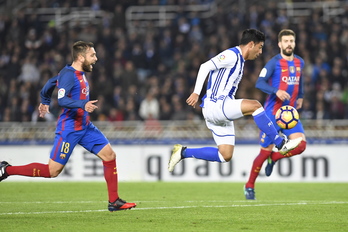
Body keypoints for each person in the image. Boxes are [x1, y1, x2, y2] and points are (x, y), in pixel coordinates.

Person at [0, 41, 136, 212]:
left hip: (85, 126)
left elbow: (50, 83)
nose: (96, 58)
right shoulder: (69, 75)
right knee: (52, 171)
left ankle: (114, 201)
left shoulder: (74, 73)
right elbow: (63, 100)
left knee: (109, 155)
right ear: (81, 57)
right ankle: (7, 170)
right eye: (92, 55)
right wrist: (82, 104)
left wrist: (44, 101)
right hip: (69, 128)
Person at [168, 29, 302, 173]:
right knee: (255, 106)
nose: (260, 52)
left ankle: (182, 152)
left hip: (219, 111)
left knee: (225, 155)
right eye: (260, 47)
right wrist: (196, 92)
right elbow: (205, 66)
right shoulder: (232, 55)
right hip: (216, 105)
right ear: (251, 44)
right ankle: (280, 143)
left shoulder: (240, 61)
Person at [244, 29, 307, 200]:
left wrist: (300, 96)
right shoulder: (274, 63)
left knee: (301, 145)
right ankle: (249, 186)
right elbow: (259, 83)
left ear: (294, 43)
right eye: (285, 41)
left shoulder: (300, 62)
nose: (289, 44)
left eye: (291, 41)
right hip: (272, 115)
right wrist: (276, 90)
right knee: (264, 152)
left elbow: (300, 83)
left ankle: (276, 157)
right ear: (280, 44)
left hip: (290, 115)